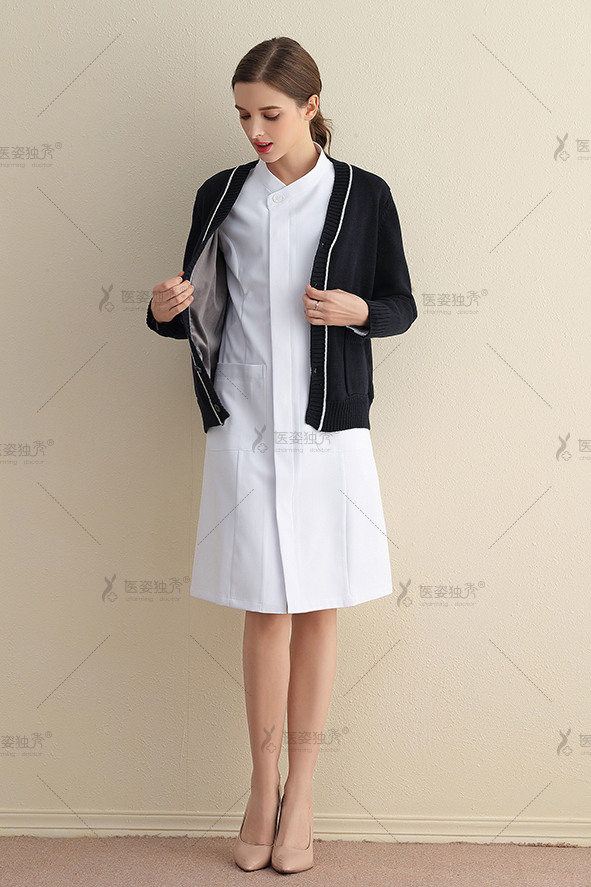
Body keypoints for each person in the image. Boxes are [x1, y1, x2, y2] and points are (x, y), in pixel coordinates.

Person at [146, 36, 417, 874]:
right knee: (263, 607)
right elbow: (193, 309)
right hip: (245, 422)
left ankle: (305, 793)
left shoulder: (363, 194)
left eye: (268, 113)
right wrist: (162, 310)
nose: (254, 131)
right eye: (242, 116)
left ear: (309, 106)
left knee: (318, 604)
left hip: (328, 426)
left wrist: (357, 310)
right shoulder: (220, 193)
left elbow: (401, 304)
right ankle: (261, 787)